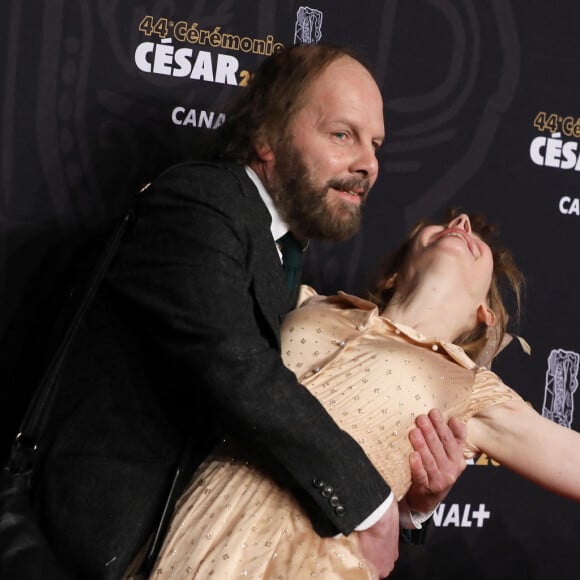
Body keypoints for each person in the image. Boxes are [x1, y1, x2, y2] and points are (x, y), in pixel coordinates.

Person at [33, 44, 465, 579]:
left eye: (375, 144)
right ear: (266, 137)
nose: (368, 164)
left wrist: (410, 508)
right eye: (341, 134)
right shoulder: (200, 202)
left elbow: (293, 425)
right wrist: (371, 509)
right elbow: (237, 372)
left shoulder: (283, 253)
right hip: (99, 550)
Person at [145, 210, 580, 579]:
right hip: (193, 521)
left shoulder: (469, 387)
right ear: (392, 274)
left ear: (484, 314)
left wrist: (417, 506)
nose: (462, 222)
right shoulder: (309, 303)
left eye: (477, 241)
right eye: (442, 223)